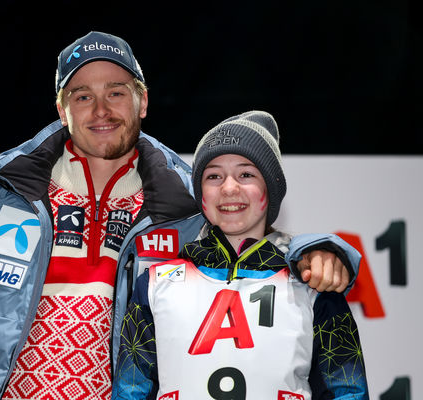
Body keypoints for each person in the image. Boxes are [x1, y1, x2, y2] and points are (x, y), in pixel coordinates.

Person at [0, 32, 359, 400]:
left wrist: (314, 251)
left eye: (116, 93)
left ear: (142, 101)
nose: (101, 110)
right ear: (61, 109)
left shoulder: (185, 199)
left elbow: (249, 247)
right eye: (82, 96)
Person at [112, 111, 369, 399]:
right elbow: (131, 390)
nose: (229, 188)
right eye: (214, 176)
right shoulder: (154, 284)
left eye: (246, 174)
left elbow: (347, 391)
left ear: (271, 187)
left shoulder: (312, 283)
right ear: (200, 193)